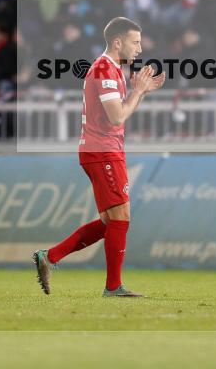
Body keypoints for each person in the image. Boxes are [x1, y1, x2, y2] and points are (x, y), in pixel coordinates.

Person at [34, 17, 166, 297]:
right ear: (118, 42)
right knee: (122, 216)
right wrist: (138, 92)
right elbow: (117, 116)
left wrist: (140, 93)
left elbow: (118, 113)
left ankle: (50, 256)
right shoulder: (105, 69)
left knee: (111, 220)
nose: (140, 49)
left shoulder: (112, 68)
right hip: (103, 150)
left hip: (103, 149)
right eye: (135, 42)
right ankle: (113, 286)